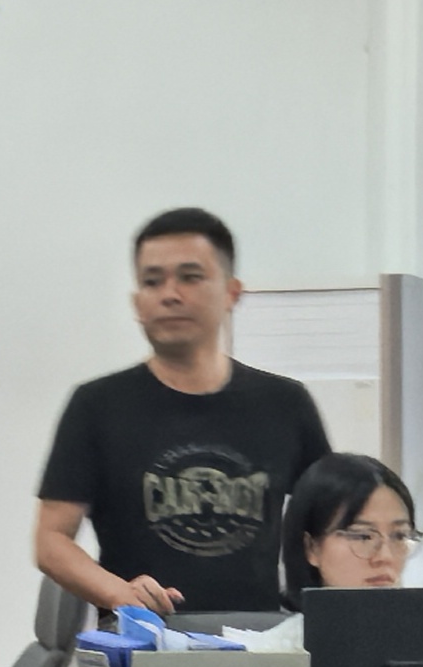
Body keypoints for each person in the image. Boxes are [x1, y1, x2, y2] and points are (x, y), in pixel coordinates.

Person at [35, 208, 331, 617]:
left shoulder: (286, 403)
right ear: (137, 302)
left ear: (232, 293)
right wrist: (119, 593)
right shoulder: (97, 406)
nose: (170, 294)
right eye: (152, 281)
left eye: (190, 277)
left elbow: (332, 525)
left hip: (259, 639)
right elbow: (51, 540)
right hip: (142, 640)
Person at [278, 453, 421, 610]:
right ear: (311, 547)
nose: (386, 557)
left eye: (399, 536)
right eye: (363, 536)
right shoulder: (294, 628)